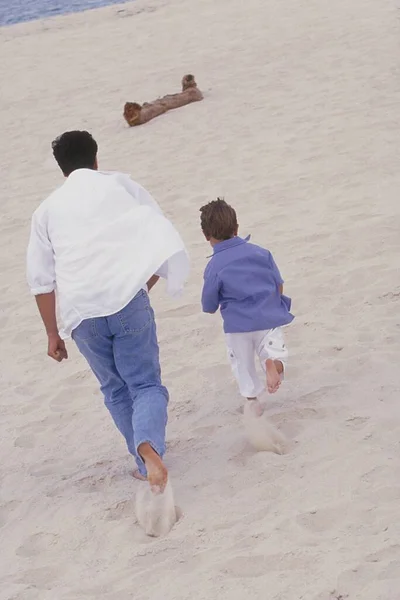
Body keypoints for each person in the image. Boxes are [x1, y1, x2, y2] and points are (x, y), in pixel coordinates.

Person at [27, 130, 189, 492]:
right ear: (96, 160)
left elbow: (40, 280)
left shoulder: (46, 211)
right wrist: (141, 286)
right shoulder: (121, 187)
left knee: (115, 389)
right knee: (145, 383)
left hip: (82, 314)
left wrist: (52, 333)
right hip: (126, 301)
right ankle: (150, 447)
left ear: (62, 168)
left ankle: (143, 462)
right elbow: (158, 234)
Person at [200, 198, 294, 414]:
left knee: (242, 365)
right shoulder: (261, 253)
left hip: (238, 326)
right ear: (237, 227)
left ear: (207, 236)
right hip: (267, 318)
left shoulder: (214, 266)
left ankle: (253, 401)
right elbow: (278, 285)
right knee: (275, 352)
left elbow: (209, 305)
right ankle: (273, 365)